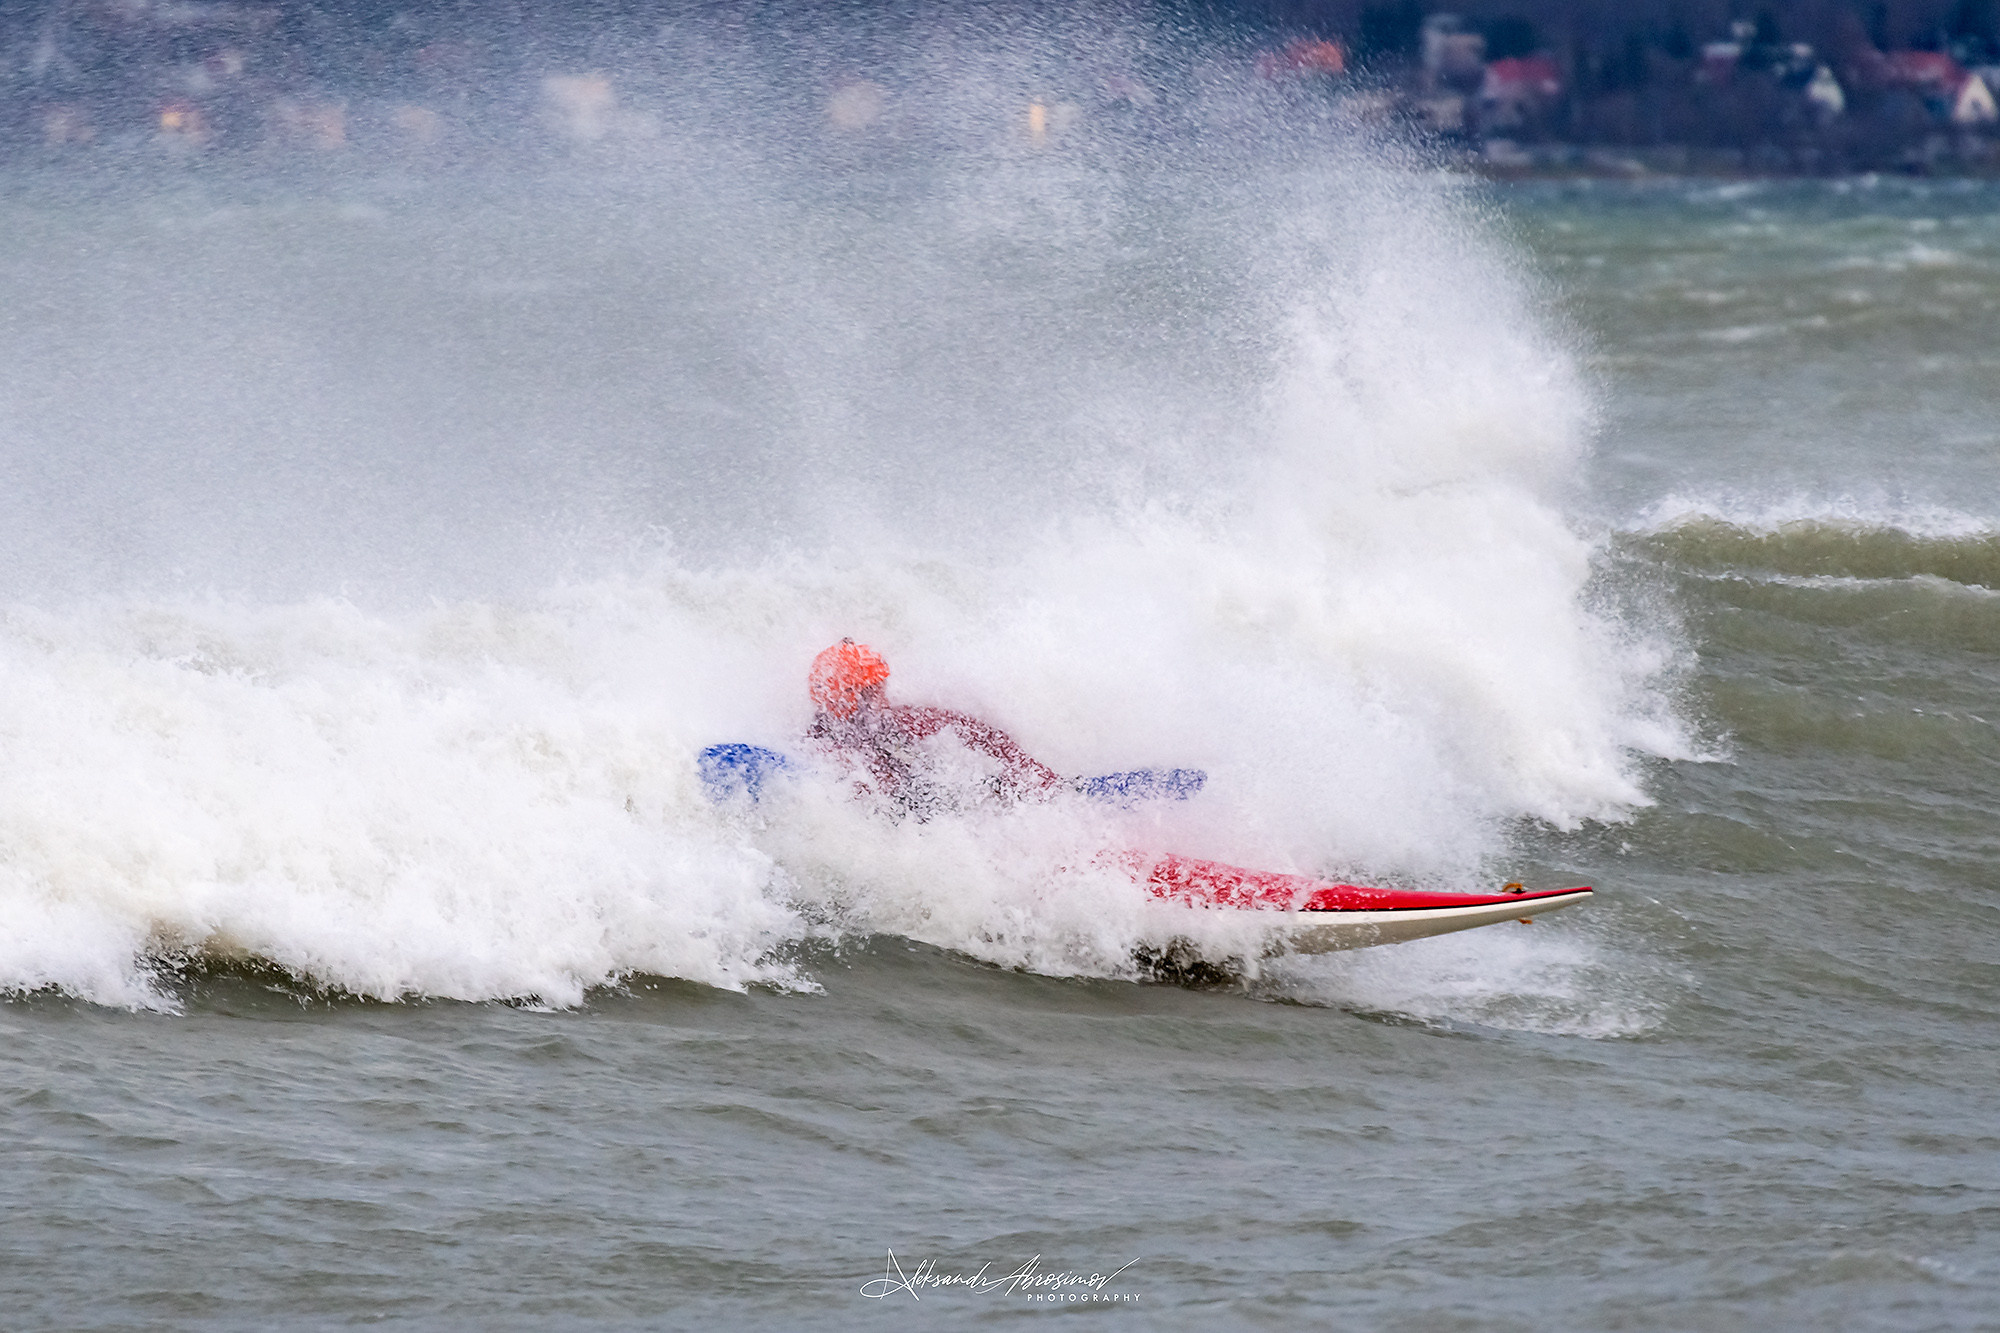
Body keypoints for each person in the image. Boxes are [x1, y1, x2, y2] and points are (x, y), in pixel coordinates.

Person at [804, 639, 1062, 818]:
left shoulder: (894, 720)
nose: (882, 697)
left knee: (993, 788)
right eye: (873, 690)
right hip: (912, 820)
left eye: (881, 688)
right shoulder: (823, 746)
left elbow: (979, 733)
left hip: (931, 806)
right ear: (847, 694)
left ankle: (1053, 793)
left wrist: (1033, 772)